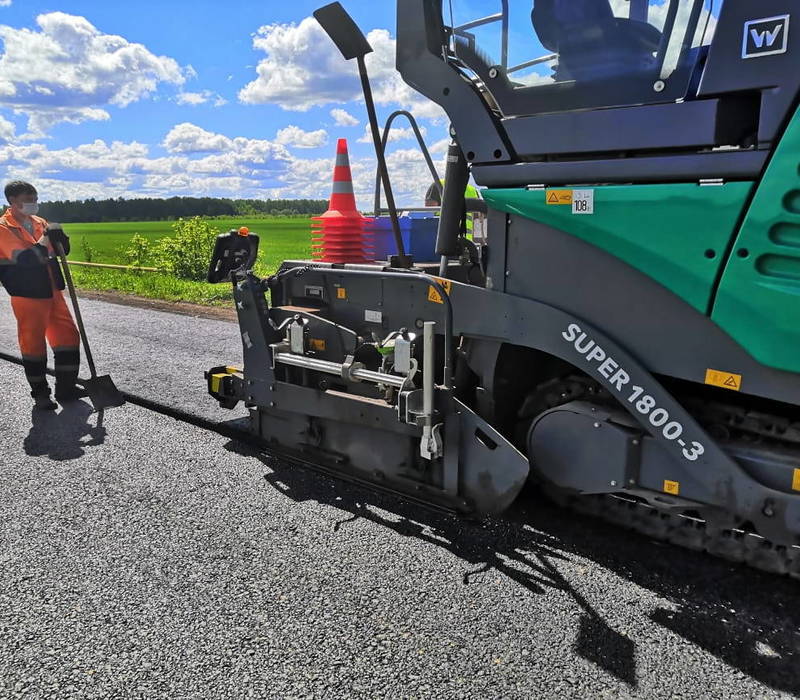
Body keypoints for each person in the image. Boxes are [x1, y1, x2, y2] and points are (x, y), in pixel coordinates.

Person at [0, 181, 81, 410]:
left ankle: (66, 388)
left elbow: (61, 251)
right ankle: (41, 394)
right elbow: (26, 259)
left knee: (68, 337)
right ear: (13, 201)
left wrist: (60, 238)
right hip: (27, 294)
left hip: (52, 289)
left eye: (35, 198)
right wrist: (46, 239)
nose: (34, 203)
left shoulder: (39, 222)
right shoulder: (3, 228)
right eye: (29, 198)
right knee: (33, 343)